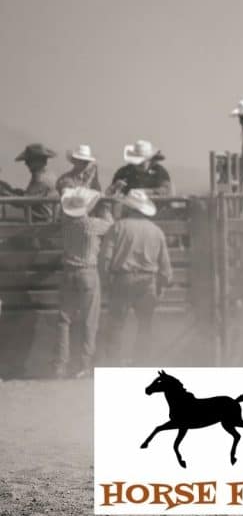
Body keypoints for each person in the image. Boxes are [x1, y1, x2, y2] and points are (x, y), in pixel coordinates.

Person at [100, 189, 172, 366]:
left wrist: (105, 280)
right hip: (148, 282)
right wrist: (163, 283)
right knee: (145, 325)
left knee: (116, 324)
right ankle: (142, 363)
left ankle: (113, 364)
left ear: (128, 208)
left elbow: (105, 257)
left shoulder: (117, 227)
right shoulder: (156, 231)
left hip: (122, 279)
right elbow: (165, 265)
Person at [54, 186, 112, 379]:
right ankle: (84, 364)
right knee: (89, 320)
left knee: (64, 319)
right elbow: (113, 226)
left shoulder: (65, 224)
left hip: (68, 271)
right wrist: (104, 208)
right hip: (88, 272)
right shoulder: (94, 224)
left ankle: (61, 364)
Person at [11, 143, 58, 221]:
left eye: (29, 161)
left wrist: (6, 193)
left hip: (42, 222)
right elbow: (33, 196)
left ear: (40, 160)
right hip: (45, 219)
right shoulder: (49, 174)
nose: (26, 164)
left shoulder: (40, 179)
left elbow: (25, 202)